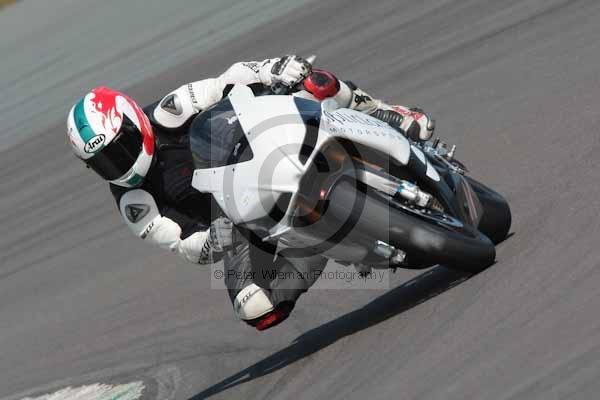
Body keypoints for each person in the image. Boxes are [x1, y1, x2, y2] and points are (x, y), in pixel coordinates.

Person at [66, 55, 435, 331]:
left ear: (133, 120)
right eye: (104, 163)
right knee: (255, 307)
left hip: (266, 149)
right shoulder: (134, 202)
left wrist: (270, 69)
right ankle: (321, 245)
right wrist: (211, 240)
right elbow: (180, 243)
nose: (118, 164)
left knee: (309, 80)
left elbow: (227, 81)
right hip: (245, 222)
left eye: (119, 149)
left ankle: (382, 113)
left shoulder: (172, 110)